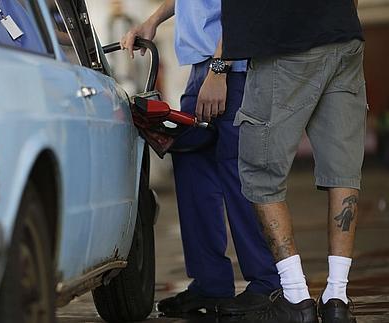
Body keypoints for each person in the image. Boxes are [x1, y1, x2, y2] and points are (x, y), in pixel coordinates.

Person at [121, 0, 281, 317]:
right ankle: (211, 285)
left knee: (240, 176)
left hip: (232, 69)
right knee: (194, 169)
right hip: (201, 70)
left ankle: (267, 285)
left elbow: (241, 9)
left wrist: (220, 69)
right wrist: (152, 20)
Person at [221, 0, 365, 322]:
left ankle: (295, 296)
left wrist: (218, 66)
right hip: (343, 34)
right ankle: (337, 298)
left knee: (260, 172)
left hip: (284, 39)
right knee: (342, 168)